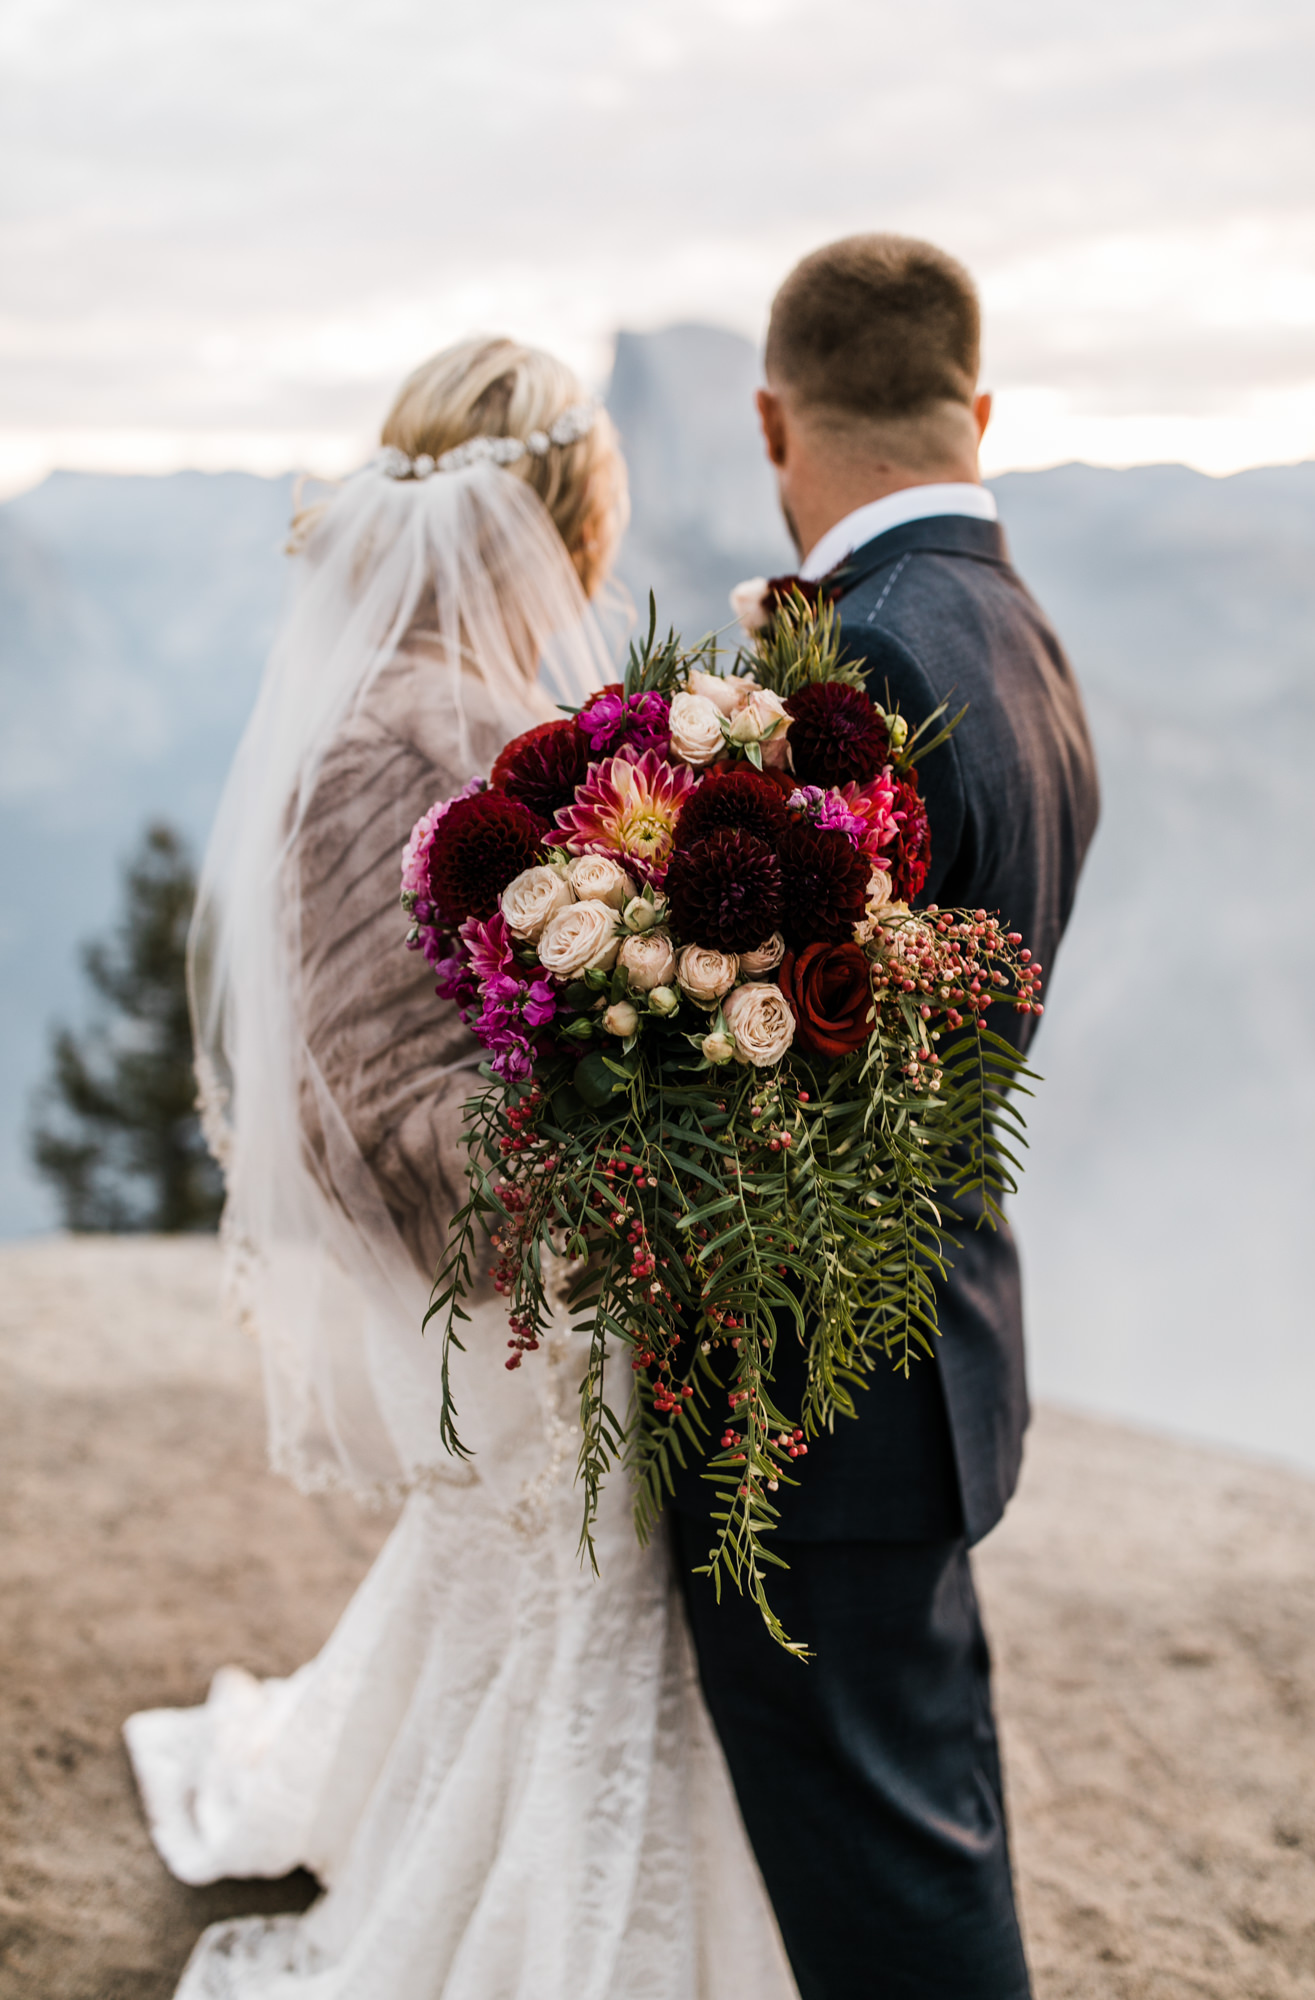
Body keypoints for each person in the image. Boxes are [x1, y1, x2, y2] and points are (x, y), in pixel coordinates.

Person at [124, 337, 799, 2000]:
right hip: (523, 1290)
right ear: (559, 520)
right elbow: (387, 1091)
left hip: (544, 1274)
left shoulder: (455, 708)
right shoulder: (405, 743)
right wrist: (639, 1141)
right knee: (575, 1615)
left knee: (536, 1614)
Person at [671, 235, 1101, 1998]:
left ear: (774, 419)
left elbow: (755, 1065)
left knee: (886, 1902)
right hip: (932, 1356)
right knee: (924, 1824)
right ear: (976, 406)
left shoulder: (857, 672)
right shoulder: (1018, 635)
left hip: (825, 1391)